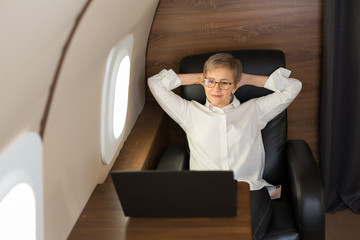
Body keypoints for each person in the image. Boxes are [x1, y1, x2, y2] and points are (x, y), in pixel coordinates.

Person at [148, 53, 302, 240]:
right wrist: (200, 78)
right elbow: (155, 83)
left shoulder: (255, 110)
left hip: (249, 189)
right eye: (211, 81)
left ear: (235, 86)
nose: (216, 88)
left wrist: (247, 79)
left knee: (244, 235)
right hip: (205, 191)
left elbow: (294, 86)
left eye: (224, 82)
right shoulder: (188, 112)